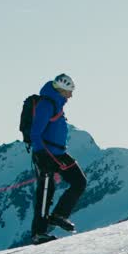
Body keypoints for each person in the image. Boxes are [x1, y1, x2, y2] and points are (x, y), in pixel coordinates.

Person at [29, 73, 86, 244]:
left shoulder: (56, 104)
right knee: (46, 193)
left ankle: (58, 215)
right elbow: (35, 132)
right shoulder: (47, 104)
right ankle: (39, 233)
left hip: (58, 153)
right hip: (47, 154)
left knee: (79, 182)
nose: (71, 95)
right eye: (70, 91)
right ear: (62, 89)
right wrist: (41, 154)